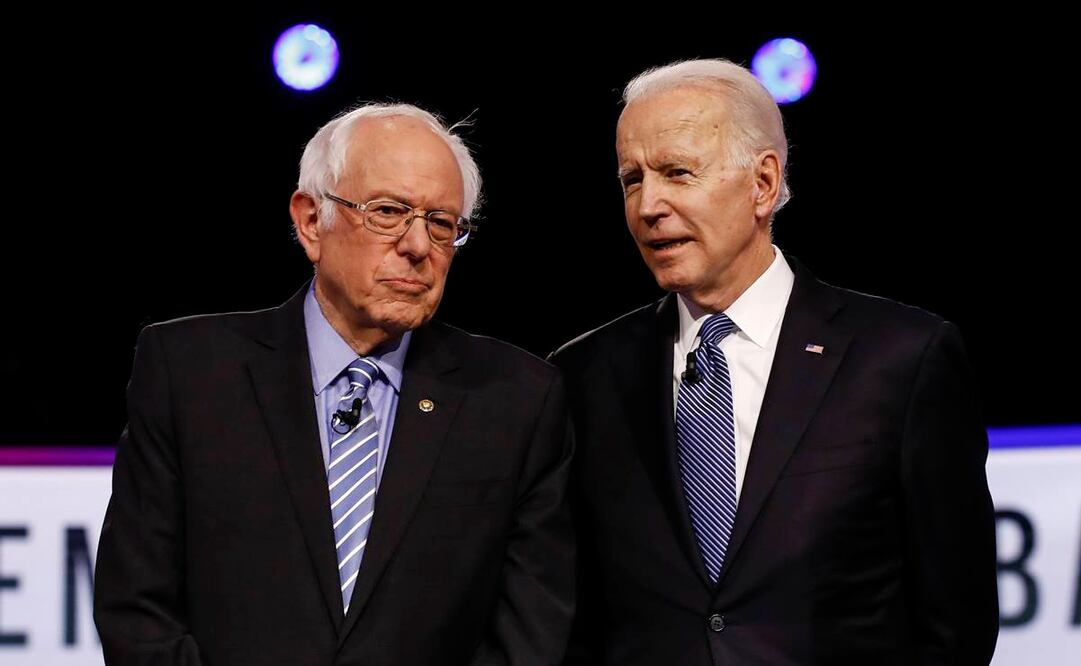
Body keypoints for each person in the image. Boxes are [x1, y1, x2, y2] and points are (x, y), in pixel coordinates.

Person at [551, 59, 998, 665]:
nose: (648, 205)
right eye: (632, 179)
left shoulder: (902, 359)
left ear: (763, 184)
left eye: (678, 173)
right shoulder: (584, 377)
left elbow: (957, 621)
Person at [95, 103, 574, 665]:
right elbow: (137, 611)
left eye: (441, 224)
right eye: (389, 212)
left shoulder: (517, 399)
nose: (418, 246)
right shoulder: (190, 372)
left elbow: (530, 633)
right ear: (309, 221)